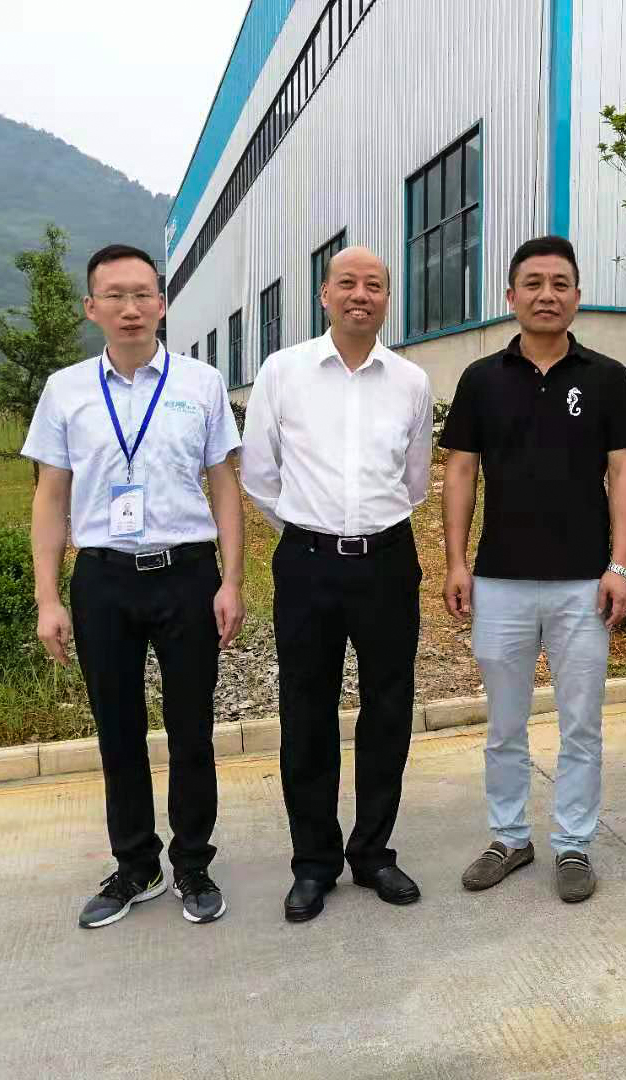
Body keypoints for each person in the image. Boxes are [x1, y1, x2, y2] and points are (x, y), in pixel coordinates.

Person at [25, 243, 245, 929]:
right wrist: (48, 598)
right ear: (91, 307)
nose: (131, 307)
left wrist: (232, 580)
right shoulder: (66, 390)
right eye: (115, 295)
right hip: (104, 578)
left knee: (191, 730)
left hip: (186, 574)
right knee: (117, 732)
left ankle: (193, 863)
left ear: (162, 304)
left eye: (143, 294)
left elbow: (224, 486)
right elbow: (50, 497)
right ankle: (136, 865)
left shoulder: (201, 383)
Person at [441, 235, 626, 904]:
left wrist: (621, 563)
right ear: (511, 296)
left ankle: (574, 844)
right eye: (533, 283)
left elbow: (624, 473)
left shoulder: (607, 378)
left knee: (580, 724)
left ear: (577, 296)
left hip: (583, 583)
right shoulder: (481, 379)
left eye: (560, 283)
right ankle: (509, 837)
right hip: (500, 580)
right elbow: (461, 472)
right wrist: (456, 561)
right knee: (504, 725)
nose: (546, 295)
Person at [240, 246, 433, 923]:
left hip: (387, 561)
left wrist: (365, 531)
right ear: (324, 295)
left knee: (389, 708)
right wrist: (310, 530)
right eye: (347, 283)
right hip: (308, 563)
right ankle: (314, 862)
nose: (360, 294)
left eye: (374, 285)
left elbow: (414, 480)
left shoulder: (411, 381)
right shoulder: (283, 371)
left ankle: (373, 852)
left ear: (386, 299)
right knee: (307, 711)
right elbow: (260, 475)